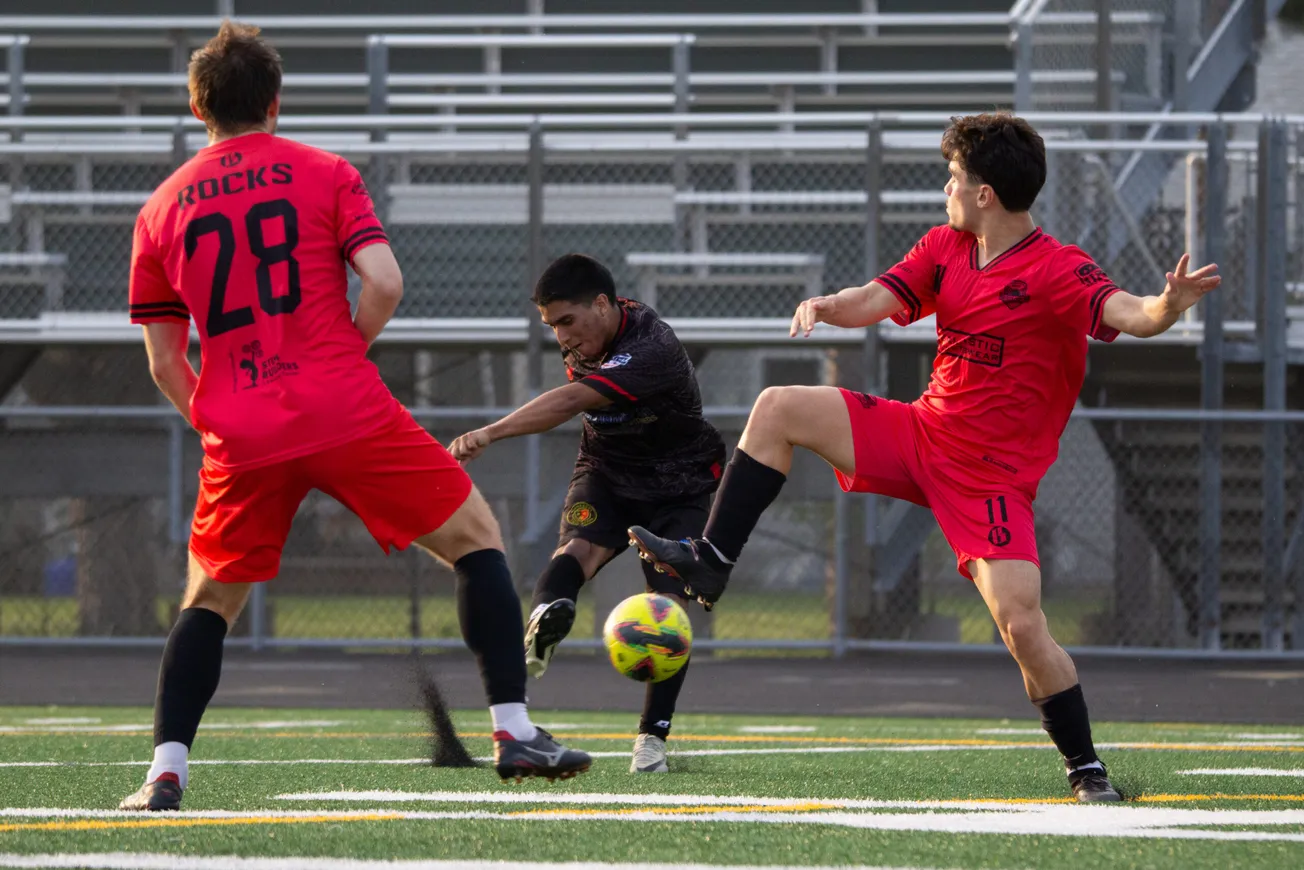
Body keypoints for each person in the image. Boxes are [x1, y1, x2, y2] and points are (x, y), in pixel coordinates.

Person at [628, 111, 1220, 803]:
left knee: (1022, 626)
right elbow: (873, 300)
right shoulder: (946, 246)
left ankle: (1087, 770)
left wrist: (1168, 305)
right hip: (921, 433)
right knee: (778, 407)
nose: (946, 188)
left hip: (990, 479)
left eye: (953, 178)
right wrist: (826, 304)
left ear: (984, 195)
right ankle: (713, 561)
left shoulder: (1058, 267)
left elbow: (1131, 314)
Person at [119, 21, 589, 811]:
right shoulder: (325, 171)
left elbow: (166, 363)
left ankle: (166, 773)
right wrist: (343, 350)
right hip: (341, 401)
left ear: (198, 108)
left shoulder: (159, 209)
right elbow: (385, 282)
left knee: (209, 601)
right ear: (275, 101)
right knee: (476, 538)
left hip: (241, 427)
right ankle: (513, 731)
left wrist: (220, 420)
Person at [450, 253, 725, 774]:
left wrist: (492, 432)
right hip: (607, 471)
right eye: (552, 326)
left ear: (602, 305)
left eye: (567, 321)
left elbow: (570, 400)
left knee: (666, 609)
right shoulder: (585, 337)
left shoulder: (652, 346)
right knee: (576, 550)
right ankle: (544, 625)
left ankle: (651, 741)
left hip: (678, 485)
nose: (562, 337)